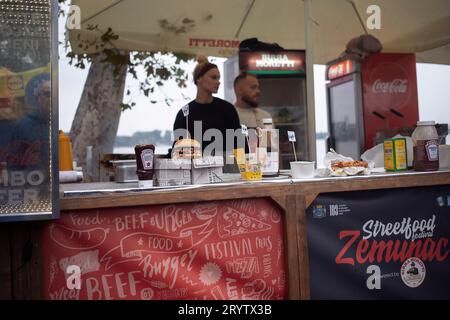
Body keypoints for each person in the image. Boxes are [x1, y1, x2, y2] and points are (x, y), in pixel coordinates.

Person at [173, 56, 243, 157]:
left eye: (218, 78)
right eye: (213, 77)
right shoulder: (185, 113)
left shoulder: (227, 109)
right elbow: (178, 150)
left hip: (225, 169)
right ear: (199, 78)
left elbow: (239, 144)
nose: (218, 81)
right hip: (195, 169)